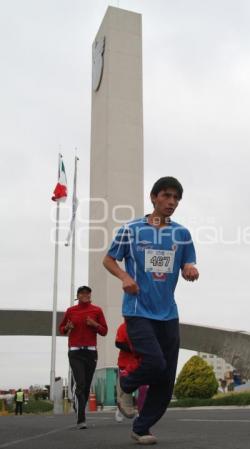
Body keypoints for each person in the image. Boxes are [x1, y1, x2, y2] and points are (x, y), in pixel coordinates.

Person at [103, 176, 199, 444]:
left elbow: (188, 262)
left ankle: (141, 427)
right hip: (138, 310)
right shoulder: (131, 229)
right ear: (153, 197)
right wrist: (124, 277)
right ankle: (126, 384)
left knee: (166, 377)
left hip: (168, 313)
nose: (171, 202)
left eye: (176, 198)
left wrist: (190, 269)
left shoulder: (181, 234)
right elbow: (109, 259)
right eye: (166, 196)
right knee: (155, 363)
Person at [59, 285, 108, 429]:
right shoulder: (71, 311)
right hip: (75, 352)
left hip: (91, 352)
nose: (86, 295)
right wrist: (67, 327)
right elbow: (61, 330)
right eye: (82, 293)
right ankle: (81, 418)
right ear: (78, 296)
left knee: (86, 385)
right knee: (80, 382)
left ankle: (79, 405)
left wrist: (94, 324)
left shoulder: (97, 310)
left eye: (88, 293)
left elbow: (104, 331)